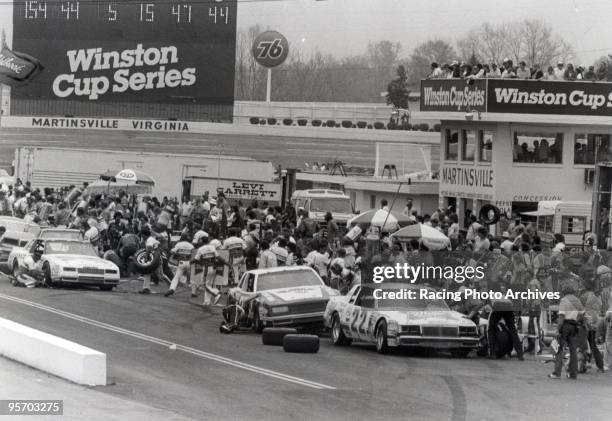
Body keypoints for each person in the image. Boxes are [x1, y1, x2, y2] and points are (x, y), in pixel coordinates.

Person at [550, 284, 585, 379]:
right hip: (574, 326)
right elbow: (582, 314)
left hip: (565, 326)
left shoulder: (564, 300)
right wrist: (576, 322)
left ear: (564, 292)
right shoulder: (577, 300)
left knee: (560, 349)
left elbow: (561, 316)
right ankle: (573, 374)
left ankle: (557, 373)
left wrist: (558, 329)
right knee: (573, 351)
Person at [487, 289, 524, 360]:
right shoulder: (503, 296)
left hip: (498, 305)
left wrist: (469, 316)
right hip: (509, 306)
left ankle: (493, 353)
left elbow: (481, 306)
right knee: (513, 331)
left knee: (490, 329)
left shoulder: (489, 295)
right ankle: (520, 354)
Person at [579, 279, 605, 372]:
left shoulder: (584, 296)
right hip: (594, 323)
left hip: (585, 323)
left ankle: (582, 365)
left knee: (582, 345)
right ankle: (600, 366)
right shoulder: (597, 298)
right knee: (593, 345)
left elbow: (579, 309)